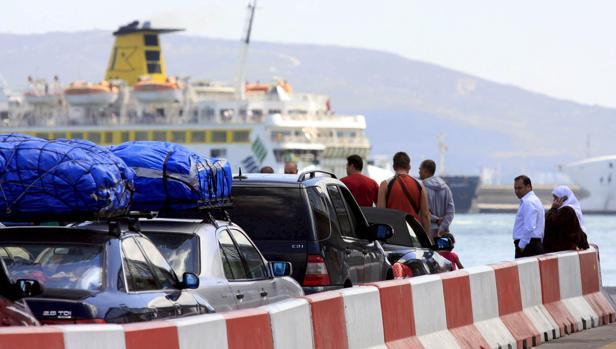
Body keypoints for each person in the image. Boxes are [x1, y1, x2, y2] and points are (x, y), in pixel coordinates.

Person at [377, 152, 431, 233]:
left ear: (394, 167)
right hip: (414, 232)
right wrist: (428, 239)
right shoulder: (420, 185)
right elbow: (425, 215)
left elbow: (381, 213)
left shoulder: (385, 185)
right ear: (409, 167)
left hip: (392, 232)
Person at [543, 185, 589, 253]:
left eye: (556, 198)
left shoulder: (567, 210)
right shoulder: (571, 209)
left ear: (563, 198)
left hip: (560, 249)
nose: (554, 201)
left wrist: (553, 208)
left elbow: (549, 221)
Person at [419, 159, 455, 238]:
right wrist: (442, 227)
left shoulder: (421, 188)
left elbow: (422, 211)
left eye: (420, 169)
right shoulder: (446, 188)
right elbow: (451, 212)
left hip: (426, 232)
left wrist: (436, 220)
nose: (419, 172)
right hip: (442, 233)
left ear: (425, 171)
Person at [512, 175, 545, 258]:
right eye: (515, 188)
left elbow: (530, 226)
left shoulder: (529, 202)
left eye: (520, 188)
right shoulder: (534, 200)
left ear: (529, 187)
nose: (517, 191)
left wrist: (521, 246)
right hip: (533, 243)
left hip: (528, 245)